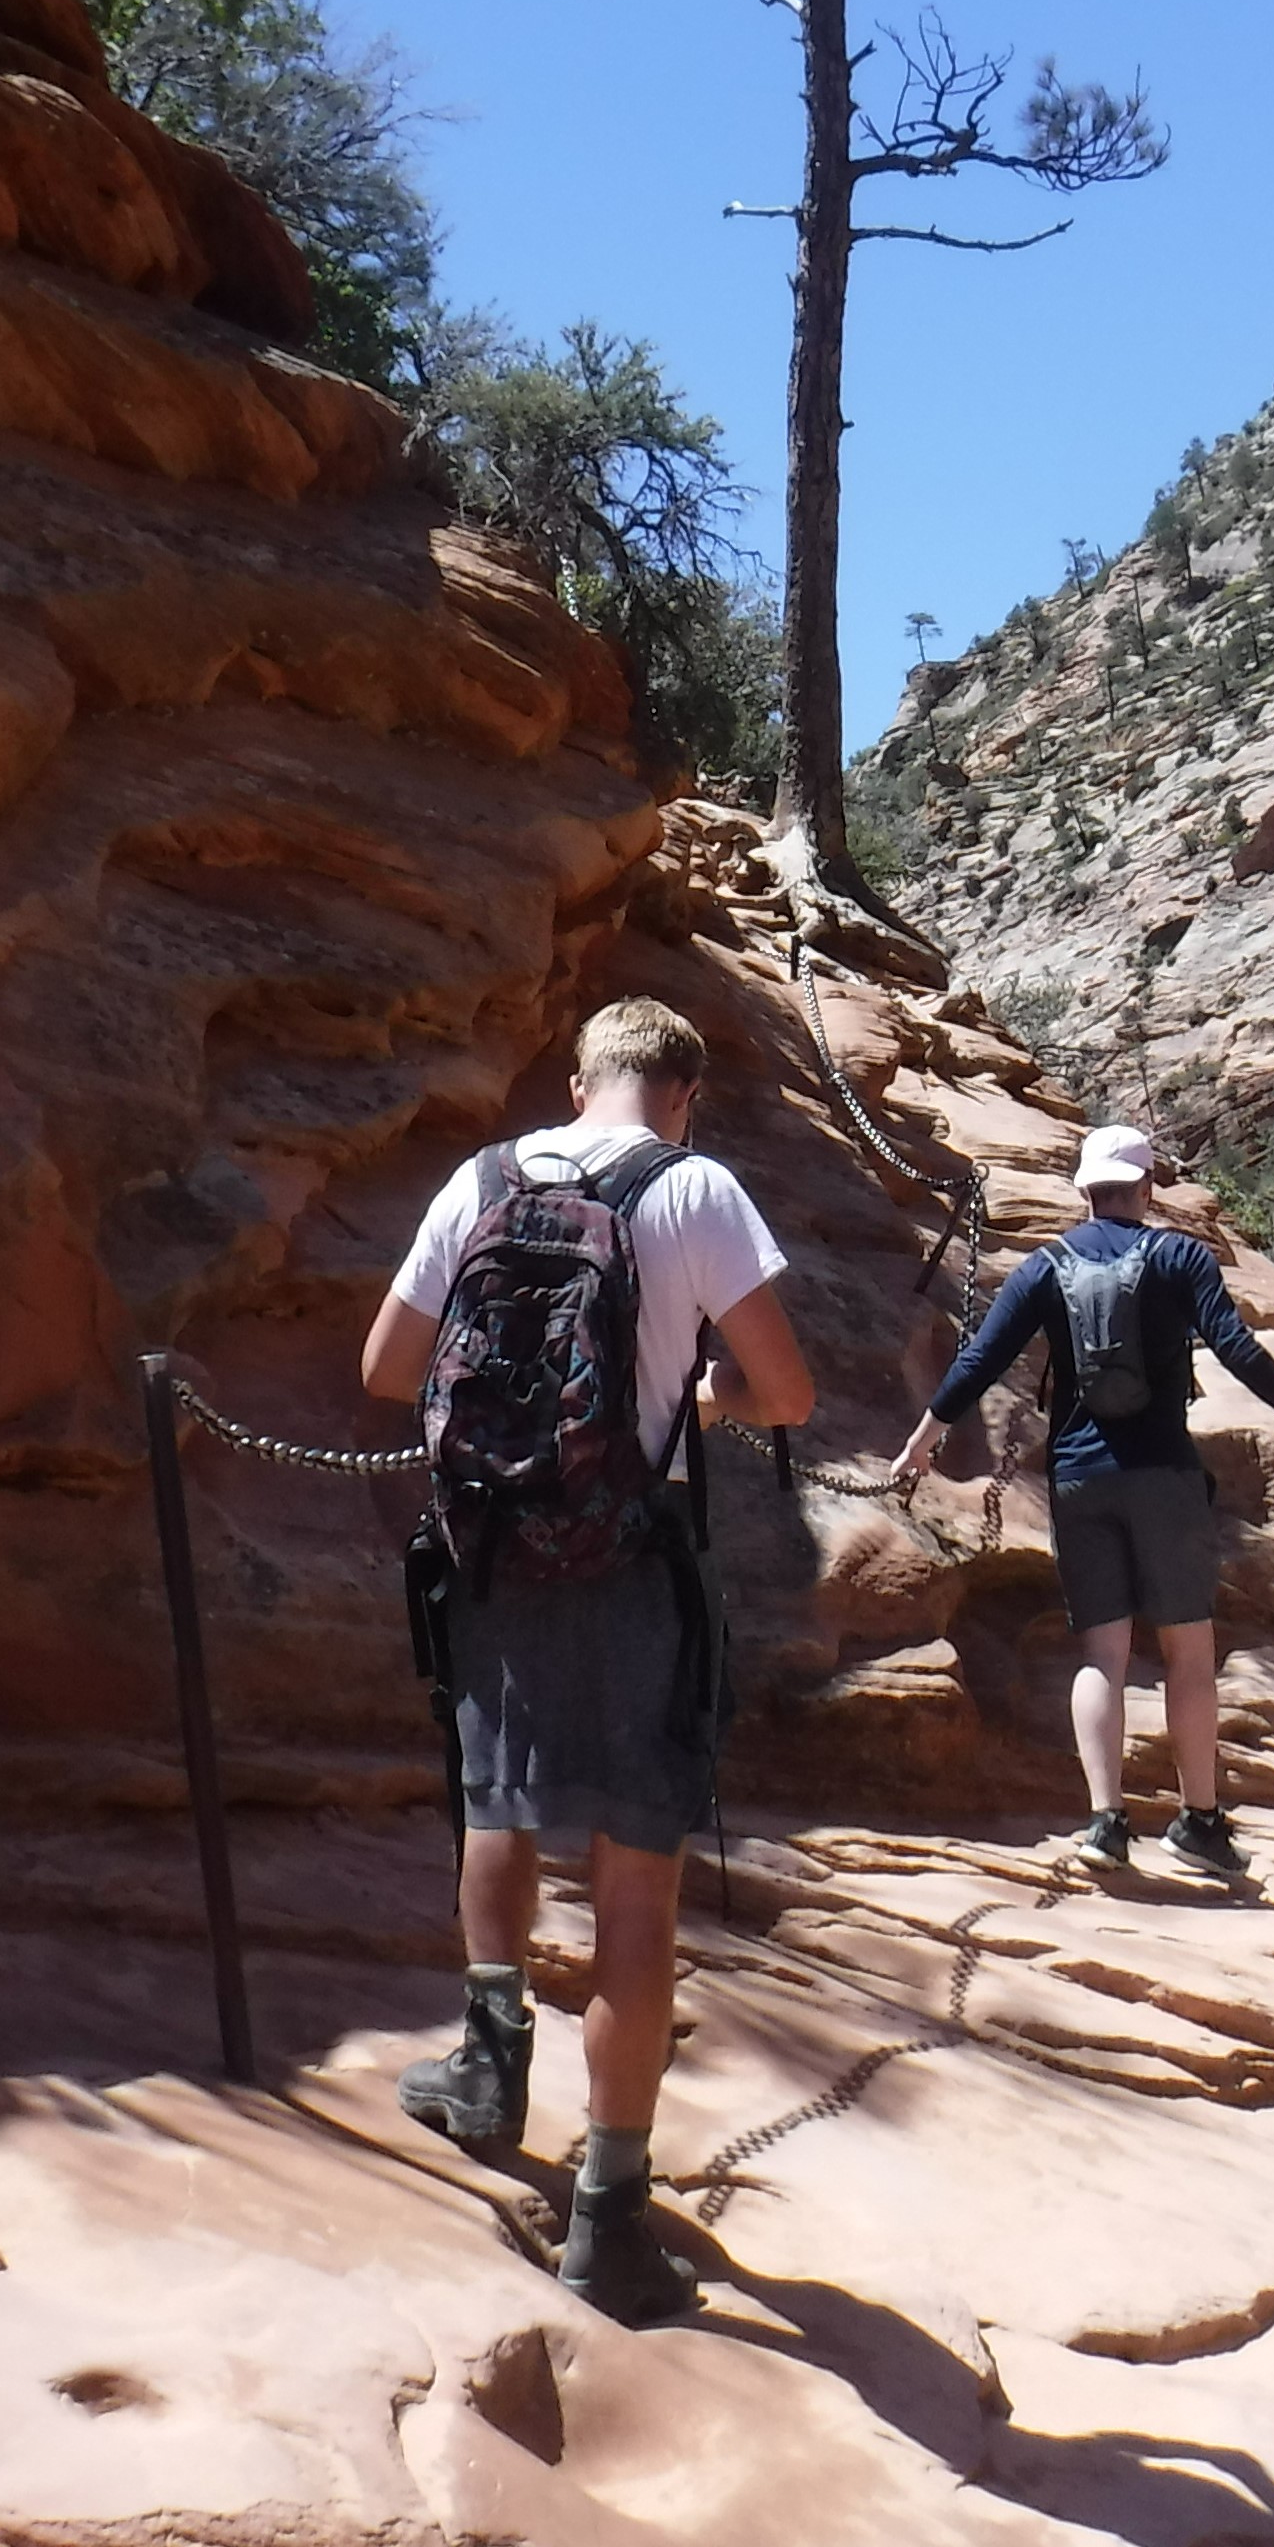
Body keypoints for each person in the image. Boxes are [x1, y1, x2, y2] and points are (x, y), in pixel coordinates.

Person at [362, 995, 813, 2326]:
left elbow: (389, 1364)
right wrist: (698, 1397)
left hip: (497, 1543)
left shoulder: (480, 1177)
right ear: (684, 1093)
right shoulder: (696, 1189)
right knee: (632, 1886)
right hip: (633, 1554)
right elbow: (785, 1394)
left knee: (493, 1798)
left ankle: (485, 2066)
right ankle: (607, 2218)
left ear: (576, 1083)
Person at [892, 1122, 1274, 1878]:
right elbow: (1238, 1348)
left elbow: (982, 1359)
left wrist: (922, 1439)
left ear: (1082, 1191)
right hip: (1166, 1476)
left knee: (1102, 1656)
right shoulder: (1179, 1255)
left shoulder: (1045, 1266)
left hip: (1081, 1477)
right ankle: (1200, 1824)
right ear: (1146, 1189)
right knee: (1189, 1657)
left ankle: (1106, 1824)